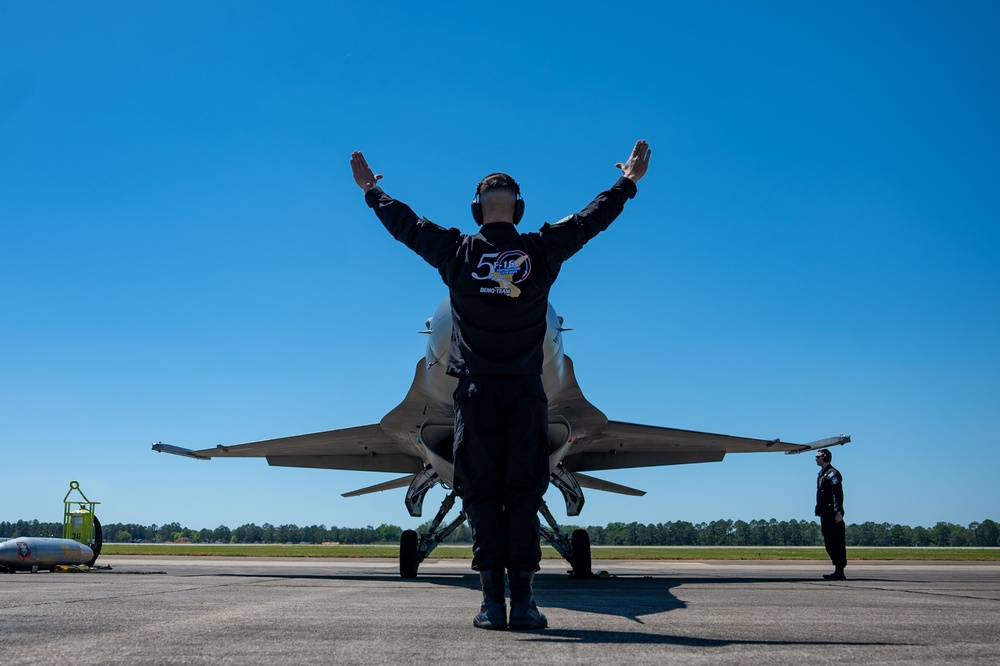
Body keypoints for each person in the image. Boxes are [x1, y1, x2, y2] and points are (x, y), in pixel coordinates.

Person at [350, 140, 651, 630]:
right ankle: (526, 603)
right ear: (520, 207)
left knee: (483, 497)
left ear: (475, 210)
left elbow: (406, 226)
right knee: (525, 497)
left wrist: (371, 192)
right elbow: (591, 220)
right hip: (528, 398)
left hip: (475, 398)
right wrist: (628, 183)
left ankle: (492, 604)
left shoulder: (456, 250)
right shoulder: (541, 249)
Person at [815, 448, 847, 580]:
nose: (816, 459)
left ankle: (840, 571)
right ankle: (837, 570)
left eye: (818, 457)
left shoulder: (832, 474)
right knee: (829, 543)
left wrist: (838, 511)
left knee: (836, 543)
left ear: (826, 458)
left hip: (833, 514)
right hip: (825, 513)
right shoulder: (822, 474)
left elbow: (837, 493)